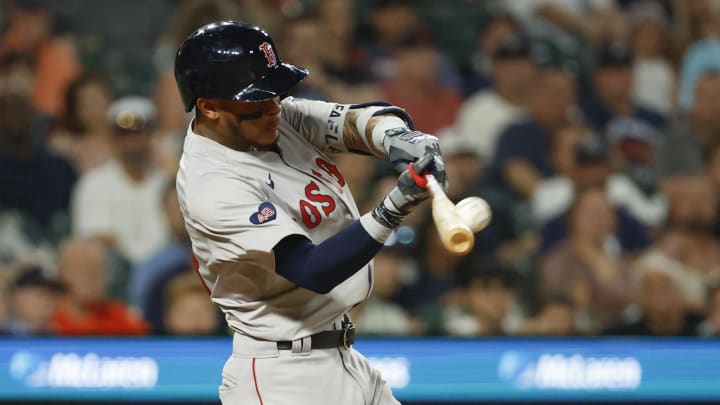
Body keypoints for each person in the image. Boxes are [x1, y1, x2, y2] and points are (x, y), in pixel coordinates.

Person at [173, 21, 447, 405]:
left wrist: (400, 138)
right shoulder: (212, 184)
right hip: (284, 375)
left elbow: (355, 122)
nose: (273, 108)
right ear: (210, 107)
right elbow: (312, 270)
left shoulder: (269, 120)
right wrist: (395, 204)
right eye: (256, 100)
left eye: (275, 94)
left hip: (342, 355)